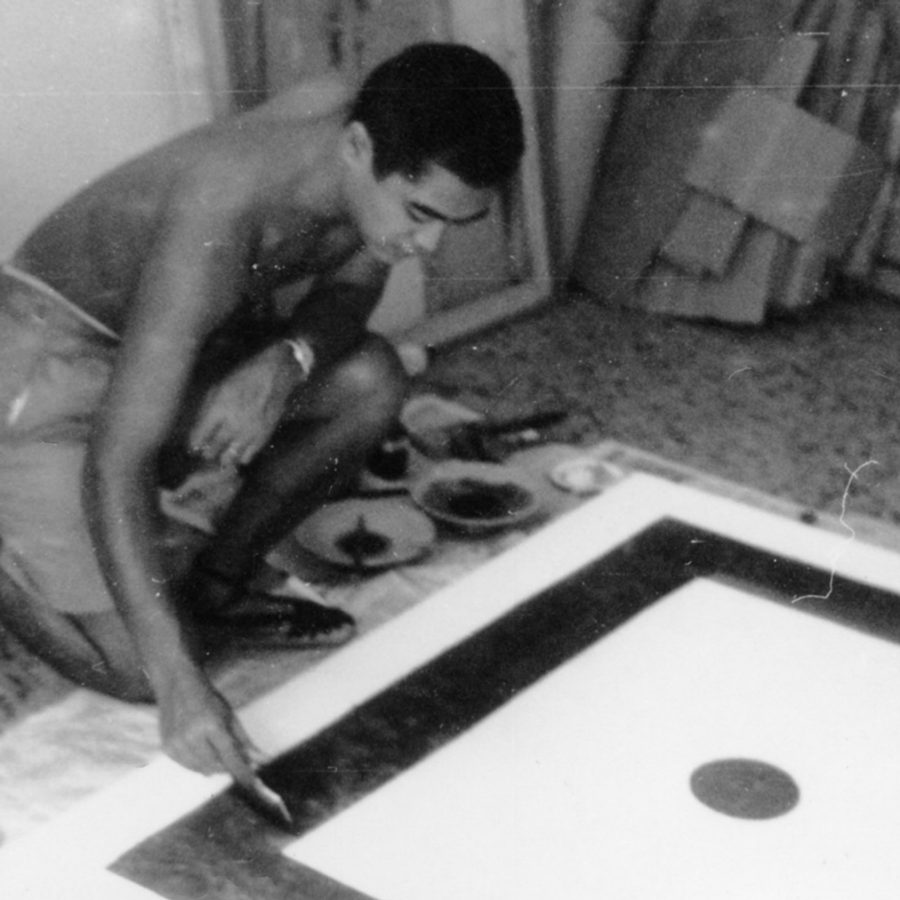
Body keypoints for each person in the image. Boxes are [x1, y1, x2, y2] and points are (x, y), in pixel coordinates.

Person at [0, 42, 524, 785]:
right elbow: (115, 461)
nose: (429, 244)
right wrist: (181, 684)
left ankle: (220, 587)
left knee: (370, 382)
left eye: (450, 223)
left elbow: (351, 284)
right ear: (356, 148)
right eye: (421, 215)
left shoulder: (375, 129)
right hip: (39, 367)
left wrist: (290, 361)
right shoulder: (220, 209)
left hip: (158, 344)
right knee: (141, 671)